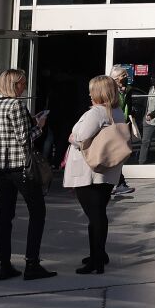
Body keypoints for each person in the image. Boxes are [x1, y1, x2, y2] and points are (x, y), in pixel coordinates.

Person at [0, 68, 55, 281]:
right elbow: (25, 139)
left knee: (5, 214)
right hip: (20, 165)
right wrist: (39, 126)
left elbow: (4, 133)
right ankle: (32, 263)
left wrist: (29, 121)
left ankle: (4, 264)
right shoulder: (16, 105)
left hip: (0, 165)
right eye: (22, 83)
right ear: (14, 85)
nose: (24, 87)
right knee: (37, 211)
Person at [63, 75, 125, 275]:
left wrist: (72, 137)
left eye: (92, 90)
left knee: (95, 215)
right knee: (98, 213)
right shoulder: (116, 111)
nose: (89, 94)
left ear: (99, 93)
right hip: (107, 171)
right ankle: (98, 253)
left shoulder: (97, 113)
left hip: (90, 170)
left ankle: (96, 259)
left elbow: (80, 137)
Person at [108, 65, 136, 198]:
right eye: (123, 75)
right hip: (113, 126)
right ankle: (119, 183)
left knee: (118, 156)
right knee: (115, 156)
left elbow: (127, 107)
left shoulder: (127, 90)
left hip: (122, 125)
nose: (126, 77)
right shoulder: (109, 91)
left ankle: (118, 183)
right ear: (115, 78)